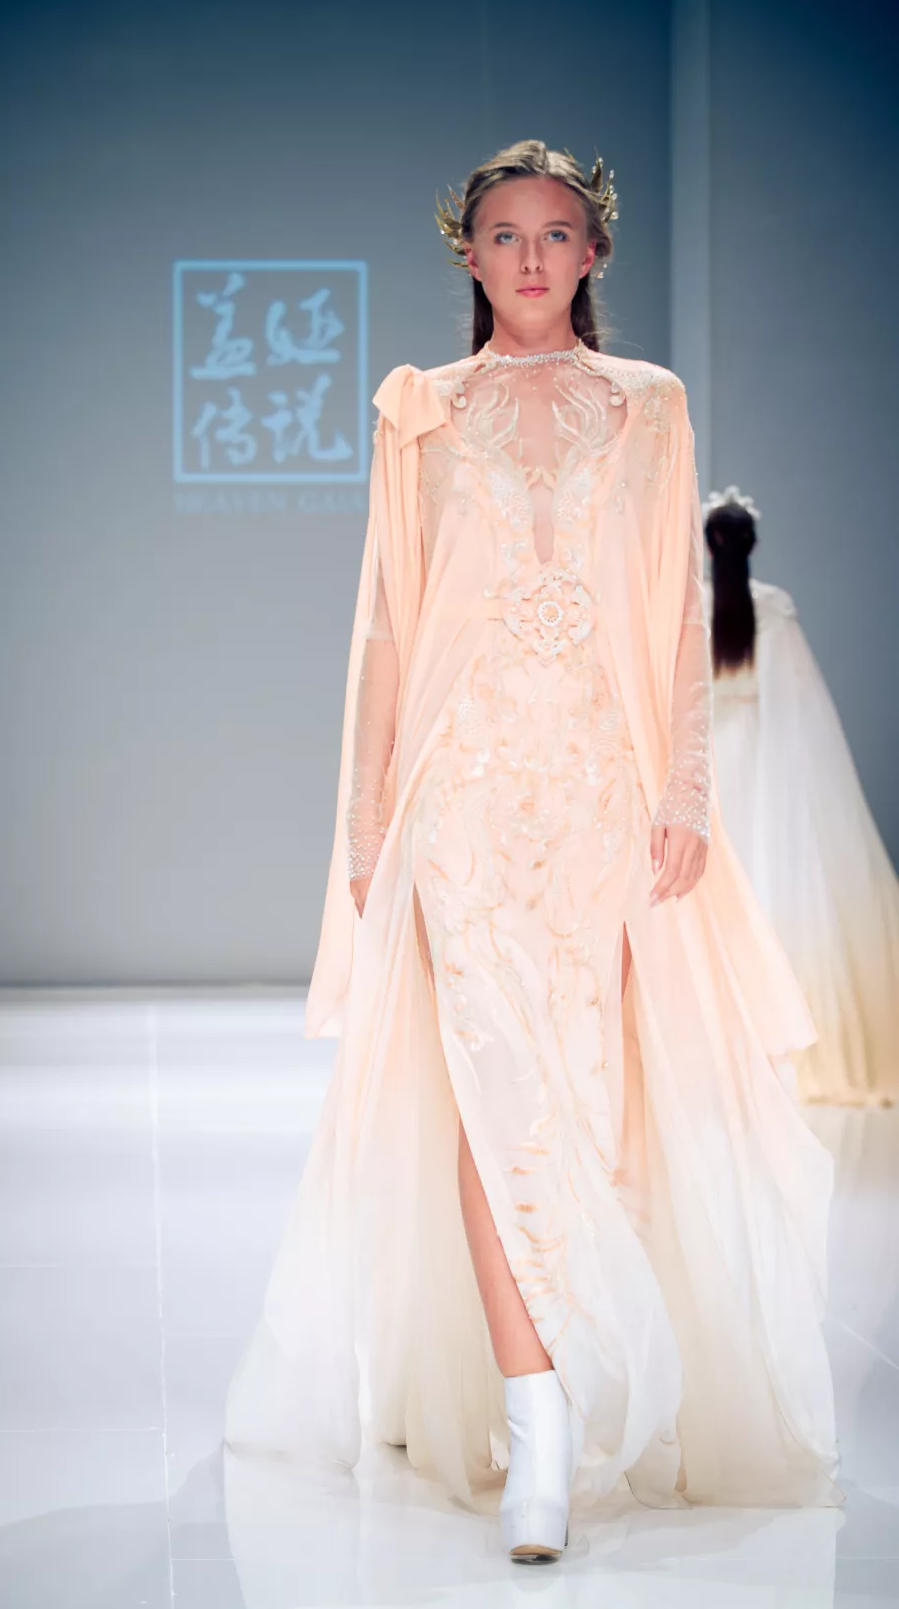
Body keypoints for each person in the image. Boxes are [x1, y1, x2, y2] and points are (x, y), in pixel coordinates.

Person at [225, 140, 841, 1562]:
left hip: (603, 788)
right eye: (504, 233)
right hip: (464, 789)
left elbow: (677, 613)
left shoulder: (651, 405)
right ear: (468, 252)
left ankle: (586, 1377)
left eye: (556, 233)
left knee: (595, 1089)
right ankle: (537, 1429)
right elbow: (388, 623)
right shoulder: (421, 413)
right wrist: (367, 822)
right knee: (490, 1086)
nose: (529, 257)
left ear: (593, 253)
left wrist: (686, 788)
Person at [705, 487, 899, 1107]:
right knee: (774, 883)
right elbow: (795, 705)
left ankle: (719, 1048)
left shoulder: (691, 608)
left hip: (709, 757)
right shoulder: (774, 608)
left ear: (707, 547)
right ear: (752, 544)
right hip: (762, 752)